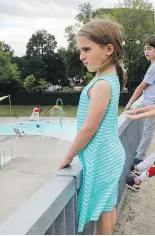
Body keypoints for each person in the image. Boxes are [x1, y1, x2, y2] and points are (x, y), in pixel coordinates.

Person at [58, 18, 126, 235]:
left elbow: (89, 128)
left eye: (86, 49)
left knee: (103, 211)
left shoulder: (103, 84)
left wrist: (68, 156)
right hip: (108, 154)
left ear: (108, 49)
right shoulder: (108, 76)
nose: (81, 56)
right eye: (80, 50)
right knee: (107, 206)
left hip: (103, 156)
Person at [124, 36, 155, 165]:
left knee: (148, 131)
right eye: (145, 49)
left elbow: (141, 87)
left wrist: (129, 103)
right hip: (151, 102)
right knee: (147, 130)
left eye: (149, 49)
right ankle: (139, 157)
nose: (146, 51)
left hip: (153, 103)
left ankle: (138, 159)